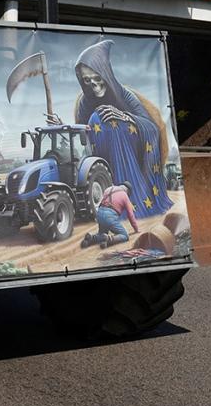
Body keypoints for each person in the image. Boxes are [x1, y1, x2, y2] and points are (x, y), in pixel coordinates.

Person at [52, 40, 172, 219]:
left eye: (97, 78)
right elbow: (84, 133)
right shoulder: (85, 102)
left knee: (109, 121)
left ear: (106, 75)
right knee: (97, 118)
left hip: (133, 158)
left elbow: (152, 128)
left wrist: (125, 117)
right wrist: (61, 127)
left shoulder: (125, 95)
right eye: (87, 80)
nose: (93, 85)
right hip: (103, 160)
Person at [80, 182, 140, 249]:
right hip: (109, 216)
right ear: (127, 191)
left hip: (99, 213)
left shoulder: (109, 189)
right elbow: (130, 215)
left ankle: (91, 238)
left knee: (102, 234)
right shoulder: (124, 195)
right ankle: (109, 239)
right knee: (124, 235)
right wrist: (136, 229)